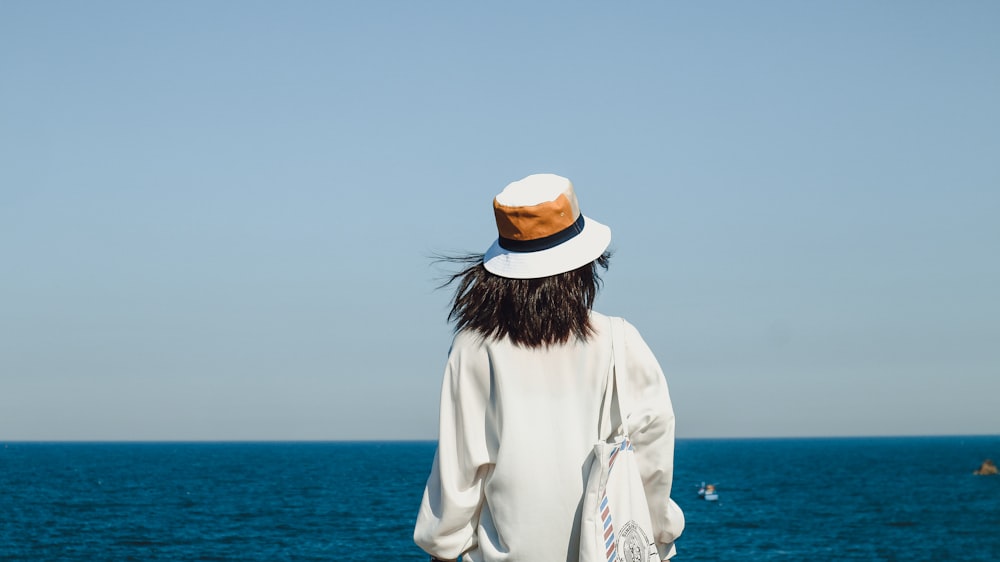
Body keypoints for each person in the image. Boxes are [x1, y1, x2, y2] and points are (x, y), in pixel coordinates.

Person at [413, 173, 685, 561]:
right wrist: (658, 535)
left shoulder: (474, 348)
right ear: (584, 263)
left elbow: (459, 477)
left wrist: (443, 548)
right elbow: (653, 457)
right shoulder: (619, 341)